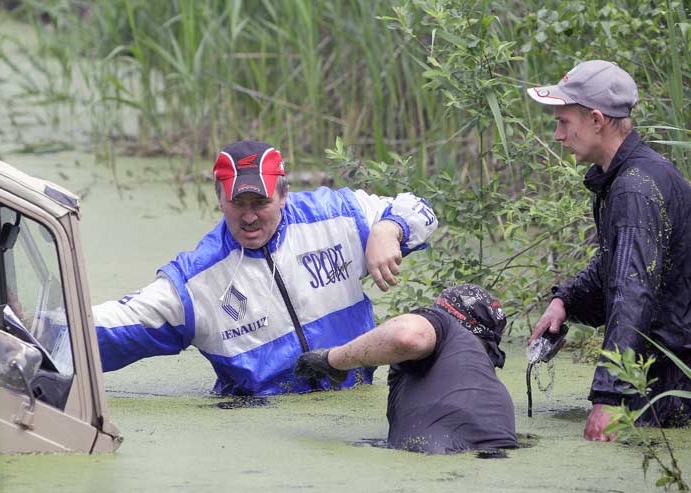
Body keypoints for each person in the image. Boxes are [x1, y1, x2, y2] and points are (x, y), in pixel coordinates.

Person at [92, 140, 439, 396]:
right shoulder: (197, 279)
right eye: (236, 203)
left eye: (261, 202)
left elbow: (419, 211)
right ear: (219, 199)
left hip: (352, 411)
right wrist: (44, 332)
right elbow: (113, 326)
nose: (248, 215)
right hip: (258, 429)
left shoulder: (338, 216)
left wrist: (388, 229)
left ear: (284, 194)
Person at [526, 59, 691, 440]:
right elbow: (616, 266)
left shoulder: (634, 189)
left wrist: (609, 398)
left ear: (597, 120)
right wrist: (565, 301)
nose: (557, 135)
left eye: (564, 122)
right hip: (659, 372)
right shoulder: (636, 175)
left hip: (668, 385)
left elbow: (632, 293)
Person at [294, 284, 518, 454]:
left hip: (435, 473)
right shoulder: (494, 394)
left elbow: (407, 336)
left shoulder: (444, 325)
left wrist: (332, 360)